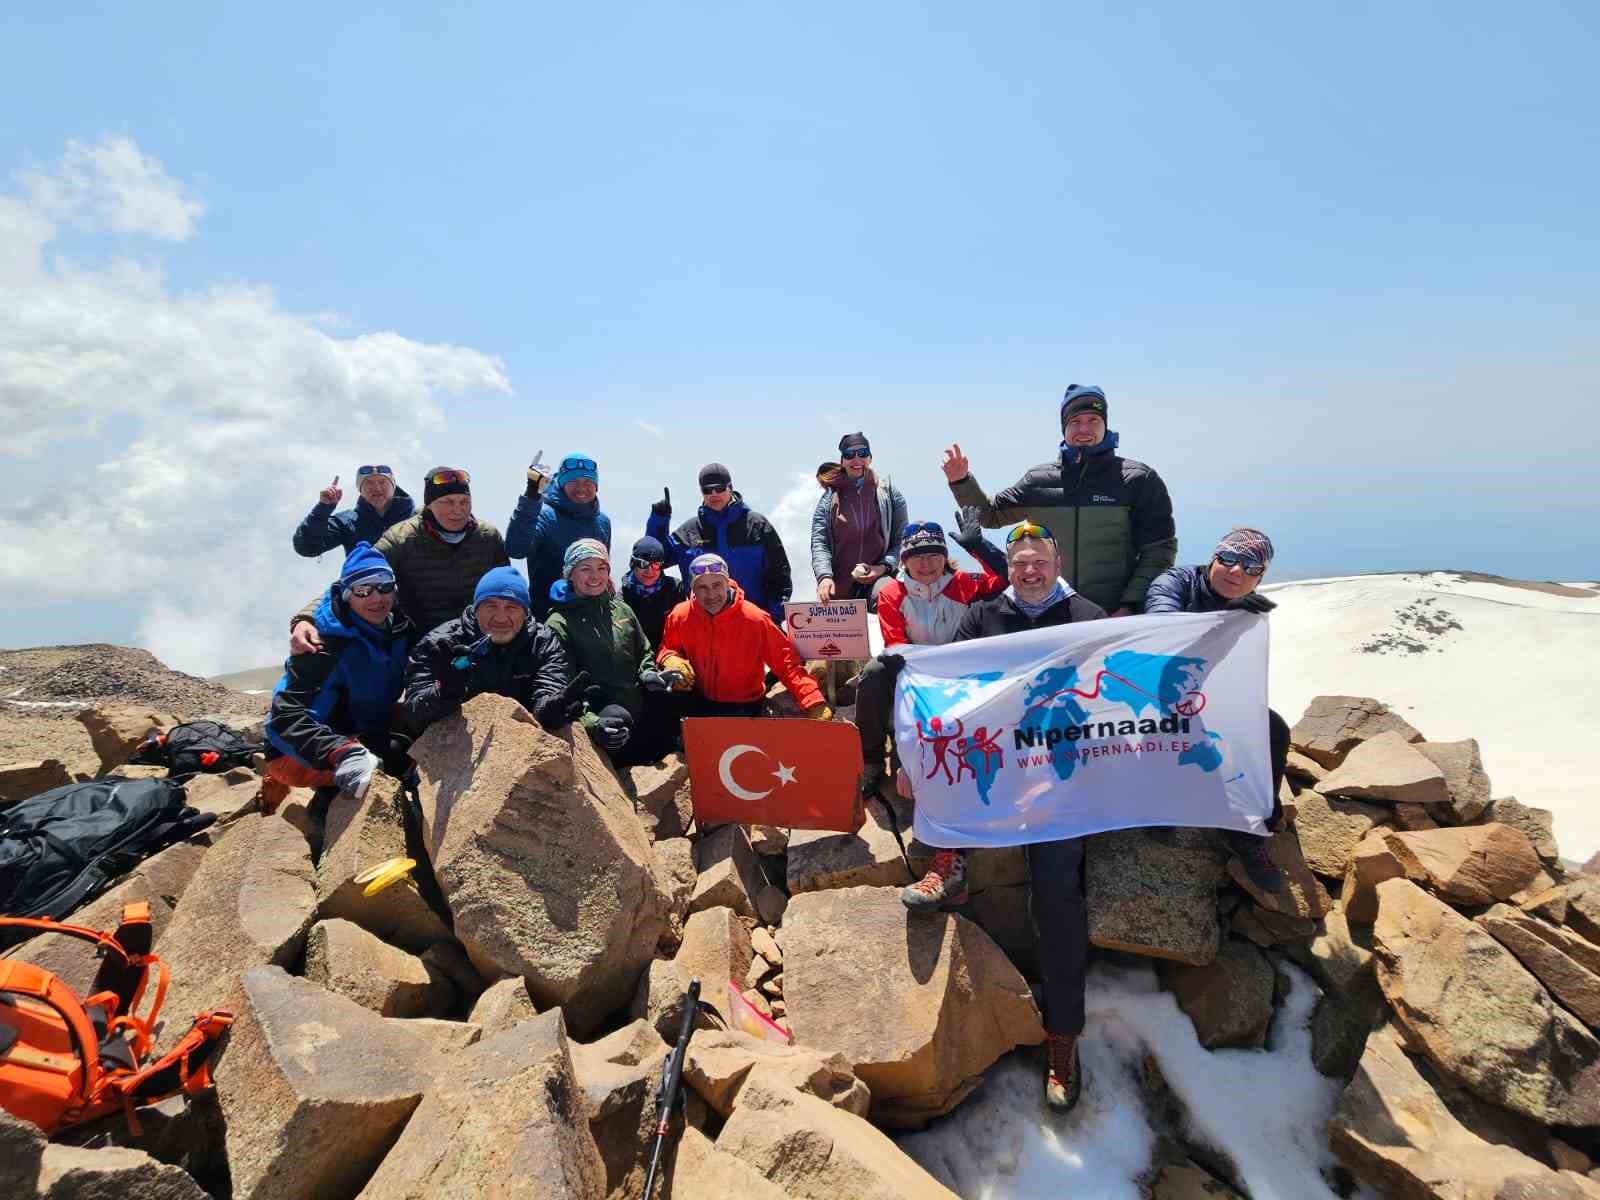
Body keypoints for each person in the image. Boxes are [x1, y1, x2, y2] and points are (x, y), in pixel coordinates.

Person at [898, 521, 1106, 1113]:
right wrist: (910, 751)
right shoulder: (984, 615)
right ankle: (950, 863)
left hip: (1061, 782)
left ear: (1056, 560)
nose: (1030, 572)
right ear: (1007, 567)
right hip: (998, 767)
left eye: (1038, 561)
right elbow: (949, 687)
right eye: (1019, 564)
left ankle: (1063, 1038)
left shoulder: (1087, 615)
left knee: (1058, 900)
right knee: (955, 780)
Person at [943, 385, 1177, 615]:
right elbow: (990, 515)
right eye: (1075, 421)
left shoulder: (1138, 479)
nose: (1084, 429)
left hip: (1114, 617)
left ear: (1105, 425)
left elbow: (1159, 550)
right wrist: (962, 482)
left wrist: (1130, 605)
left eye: (1093, 420)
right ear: (1064, 427)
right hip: (1049, 616)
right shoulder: (1039, 481)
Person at [1145, 527, 1289, 892]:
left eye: (1251, 567)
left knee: (1274, 729)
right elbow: (1163, 629)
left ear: (1260, 577)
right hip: (1153, 695)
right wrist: (1225, 619)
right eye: (1228, 558)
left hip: (1209, 697)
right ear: (1213, 558)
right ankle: (1157, 802)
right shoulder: (1175, 582)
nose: (1236, 571)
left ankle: (1248, 829)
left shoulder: (1250, 609)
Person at [855, 509, 1009, 793]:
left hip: (960, 671)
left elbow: (1007, 578)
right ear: (905, 561)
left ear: (945, 557)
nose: (926, 565)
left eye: (934, 556)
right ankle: (871, 759)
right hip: (912, 670)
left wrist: (978, 547)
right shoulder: (892, 593)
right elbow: (896, 647)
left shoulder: (964, 583)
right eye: (918, 558)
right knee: (874, 672)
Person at [260, 543, 414, 818]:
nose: (377, 598)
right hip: (295, 751)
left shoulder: (398, 630)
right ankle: (322, 817)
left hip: (360, 724)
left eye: (384, 586)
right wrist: (341, 752)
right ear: (346, 595)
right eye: (363, 590)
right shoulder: (322, 646)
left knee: (420, 725)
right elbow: (282, 719)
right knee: (392, 755)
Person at [290, 467, 508, 653]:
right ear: (430, 504)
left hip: (480, 636)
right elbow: (352, 583)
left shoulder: (488, 536)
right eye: (447, 502)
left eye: (464, 502)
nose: (457, 510)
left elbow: (509, 590)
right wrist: (307, 619)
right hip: (420, 642)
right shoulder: (401, 537)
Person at [401, 566, 584, 734]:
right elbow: (414, 715)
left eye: (511, 607)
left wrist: (551, 710)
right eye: (491, 606)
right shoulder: (441, 644)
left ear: (526, 612)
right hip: (453, 745)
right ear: (476, 608)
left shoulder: (543, 642)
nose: (501, 618)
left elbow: (549, 690)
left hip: (520, 741)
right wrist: (444, 692)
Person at [545, 539, 677, 765]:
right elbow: (563, 690)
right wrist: (593, 724)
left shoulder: (621, 609)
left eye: (601, 568)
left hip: (637, 708)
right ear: (570, 575)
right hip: (603, 720)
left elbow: (643, 650)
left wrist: (647, 673)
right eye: (585, 569)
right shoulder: (559, 623)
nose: (595, 576)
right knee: (617, 718)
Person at [657, 553, 833, 722]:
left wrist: (813, 701)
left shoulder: (754, 618)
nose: (711, 594)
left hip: (748, 708)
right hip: (701, 705)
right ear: (692, 588)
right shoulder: (680, 615)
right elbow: (668, 647)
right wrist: (670, 659)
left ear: (728, 583)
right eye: (702, 587)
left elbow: (787, 664)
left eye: (717, 585)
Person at [645, 464, 792, 623]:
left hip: (752, 626)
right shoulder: (689, 531)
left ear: (730, 487)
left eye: (719, 488)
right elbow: (655, 560)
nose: (714, 494)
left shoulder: (757, 526)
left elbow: (780, 575)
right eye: (707, 490)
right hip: (704, 628)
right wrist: (659, 522)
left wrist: (772, 619)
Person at [506, 453, 612, 619]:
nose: (581, 488)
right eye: (573, 481)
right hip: (548, 618)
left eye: (588, 482)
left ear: (596, 486)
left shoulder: (602, 522)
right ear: (561, 483)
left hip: (592, 619)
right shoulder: (543, 515)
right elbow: (516, 549)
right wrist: (531, 495)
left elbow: (603, 571)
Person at [810, 433, 908, 605]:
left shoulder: (889, 494)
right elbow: (820, 543)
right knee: (840, 630)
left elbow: (901, 540)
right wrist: (824, 577)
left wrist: (882, 567)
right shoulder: (829, 499)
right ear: (842, 461)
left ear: (870, 458)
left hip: (878, 578)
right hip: (837, 583)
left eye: (862, 453)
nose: (856, 459)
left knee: (891, 596)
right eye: (849, 454)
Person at [292, 464, 416, 558]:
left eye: (382, 482)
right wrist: (322, 509)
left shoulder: (416, 518)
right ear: (360, 491)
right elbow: (307, 547)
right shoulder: (346, 521)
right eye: (369, 483)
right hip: (366, 589)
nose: (377, 488)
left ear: (393, 487)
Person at [621, 536, 683, 651]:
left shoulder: (676, 589)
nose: (649, 571)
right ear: (633, 563)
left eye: (656, 565)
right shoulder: (621, 598)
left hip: (670, 654)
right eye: (643, 564)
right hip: (638, 659)